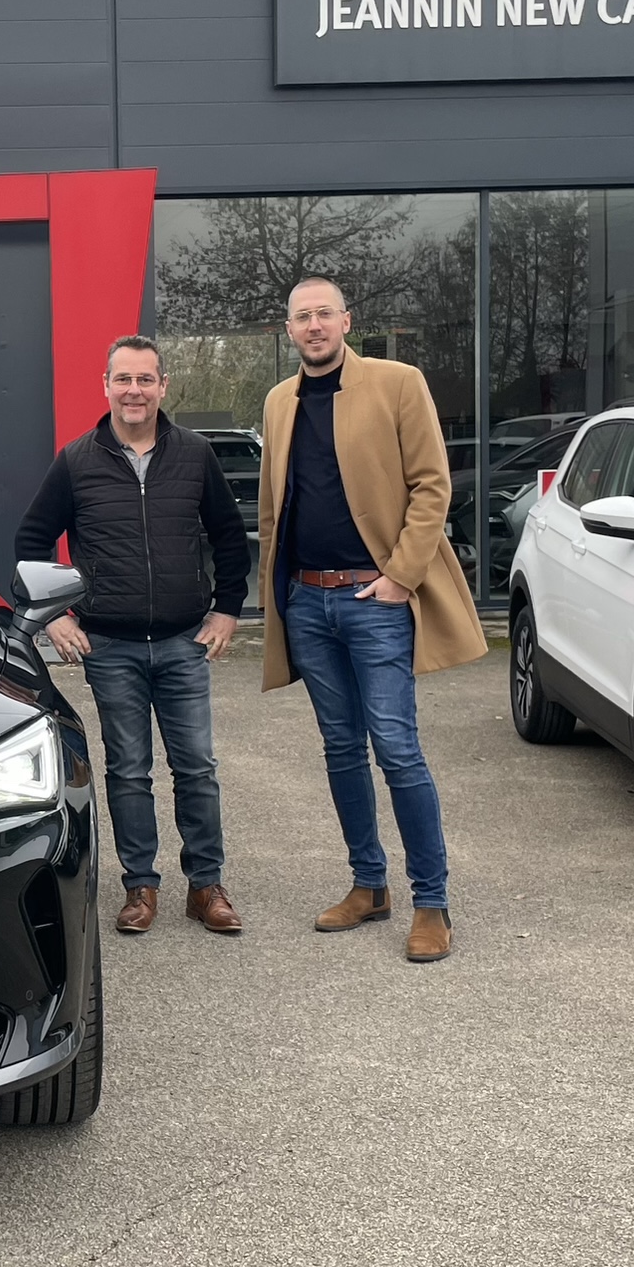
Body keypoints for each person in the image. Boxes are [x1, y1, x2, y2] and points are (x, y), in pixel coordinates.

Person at [259, 277, 486, 963]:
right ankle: (368, 884)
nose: (314, 325)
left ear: (346, 321)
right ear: (289, 329)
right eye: (302, 317)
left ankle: (431, 902)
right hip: (307, 601)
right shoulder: (279, 400)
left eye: (324, 314)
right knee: (339, 748)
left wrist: (400, 578)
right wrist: (279, 594)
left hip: (374, 601)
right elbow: (274, 505)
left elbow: (431, 486)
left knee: (395, 748)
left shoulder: (396, 383)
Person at [16, 335, 252, 936]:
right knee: (128, 771)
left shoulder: (195, 454)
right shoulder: (76, 460)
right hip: (111, 647)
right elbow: (30, 542)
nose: (134, 391)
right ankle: (140, 887)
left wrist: (227, 610)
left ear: (163, 386)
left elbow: (230, 536)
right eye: (123, 379)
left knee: (196, 768)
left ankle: (206, 886)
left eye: (146, 379)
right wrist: (57, 617)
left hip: (183, 642)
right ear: (106, 386)